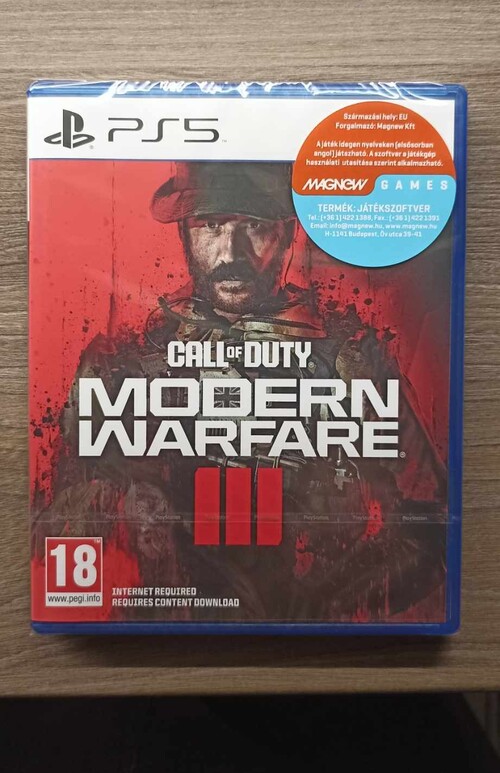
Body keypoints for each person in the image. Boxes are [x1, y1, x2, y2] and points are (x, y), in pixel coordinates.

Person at [33, 161, 447, 624]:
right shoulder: (122, 360)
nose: (230, 253)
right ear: (184, 234)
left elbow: (429, 526)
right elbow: (57, 519)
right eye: (210, 226)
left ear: (288, 234)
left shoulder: (351, 360)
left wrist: (324, 605)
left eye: (254, 225)